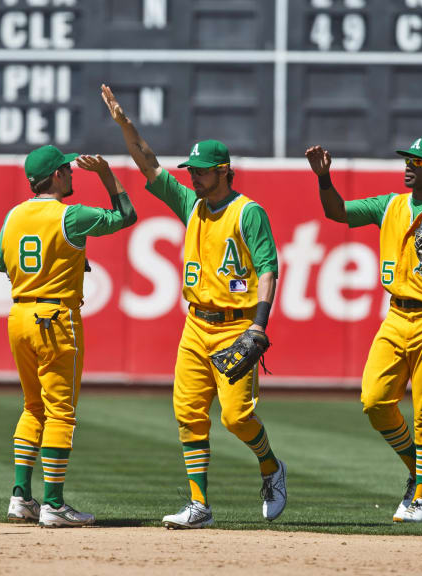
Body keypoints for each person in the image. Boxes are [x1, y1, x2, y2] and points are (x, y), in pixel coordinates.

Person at [101, 84, 286, 529]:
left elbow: (268, 269)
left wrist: (258, 327)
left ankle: (271, 467)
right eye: (193, 170)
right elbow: (148, 164)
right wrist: (125, 125)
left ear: (225, 172)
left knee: (237, 416)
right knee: (187, 412)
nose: (194, 177)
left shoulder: (247, 212)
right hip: (196, 325)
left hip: (237, 325)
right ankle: (199, 505)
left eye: (203, 171)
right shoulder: (191, 204)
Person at [306, 139, 422, 523]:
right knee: (374, 401)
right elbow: (337, 211)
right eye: (408, 160)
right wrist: (324, 178)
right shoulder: (391, 205)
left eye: (417, 162)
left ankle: (420, 498)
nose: (408, 166)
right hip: (396, 316)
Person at [0, 145, 136, 528]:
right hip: (56, 317)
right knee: (61, 411)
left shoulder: (13, 216)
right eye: (68, 170)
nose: (72, 174)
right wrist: (107, 175)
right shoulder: (70, 215)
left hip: (20, 314)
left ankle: (21, 497)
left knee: (32, 407)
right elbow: (127, 216)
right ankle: (54, 504)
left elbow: (1, 263)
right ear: (56, 175)